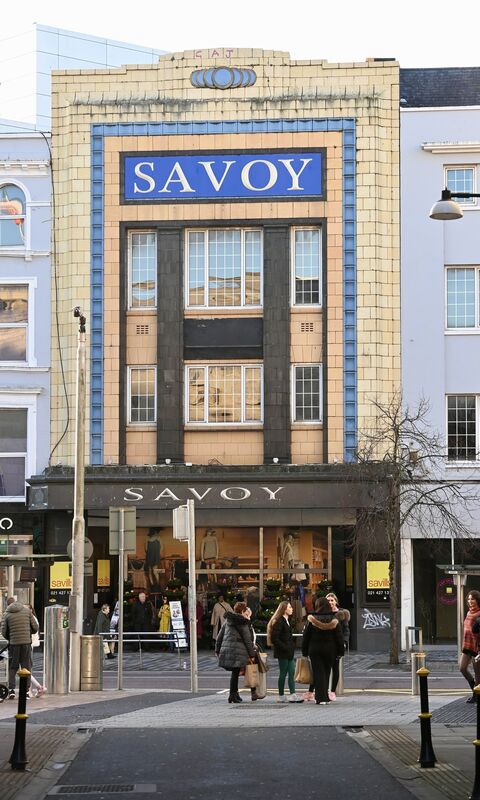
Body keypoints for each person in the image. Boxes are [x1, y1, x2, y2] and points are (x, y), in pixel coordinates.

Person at [302, 596, 344, 704]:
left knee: (318, 673)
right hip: (330, 649)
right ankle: (325, 697)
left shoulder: (311, 619)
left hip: (314, 649)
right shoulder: (334, 619)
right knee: (326, 672)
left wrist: (304, 651)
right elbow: (339, 637)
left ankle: (320, 698)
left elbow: (306, 636)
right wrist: (340, 652)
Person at [215, 601, 256, 703]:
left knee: (235, 673)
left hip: (228, 649)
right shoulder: (242, 622)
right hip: (238, 651)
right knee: (235, 673)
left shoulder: (228, 621)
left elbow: (219, 636)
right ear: (242, 611)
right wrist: (252, 654)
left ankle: (234, 694)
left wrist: (217, 649)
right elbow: (247, 640)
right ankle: (233, 695)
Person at [0, 596, 38, 700]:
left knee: (13, 667)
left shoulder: (6, 614)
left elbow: (3, 631)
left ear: (8, 604)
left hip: (13, 644)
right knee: (26, 667)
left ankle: (11, 691)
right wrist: (28, 634)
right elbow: (35, 627)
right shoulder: (27, 612)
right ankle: (25, 692)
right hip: (26, 643)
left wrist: (11, 638)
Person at [267, 600, 304, 703]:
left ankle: (292, 694)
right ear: (284, 609)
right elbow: (275, 639)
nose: (291, 609)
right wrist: (285, 647)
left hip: (289, 651)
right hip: (282, 652)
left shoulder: (286, 620)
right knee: (283, 673)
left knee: (291, 672)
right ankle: (281, 695)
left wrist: (290, 646)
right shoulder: (279, 621)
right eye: (289, 607)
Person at [460, 589, 480, 703]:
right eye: (469, 599)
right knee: (462, 668)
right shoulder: (468, 612)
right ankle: (474, 688)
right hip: (467, 645)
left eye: (472, 599)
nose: (470, 601)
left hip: (477, 647)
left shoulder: (479, 613)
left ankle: (476, 695)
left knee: (478, 674)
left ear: (477, 600)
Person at [26, 604, 47, 697]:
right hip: (29, 644)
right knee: (25, 668)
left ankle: (37, 687)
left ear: (31, 610)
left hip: (28, 644)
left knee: (25, 668)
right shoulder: (32, 618)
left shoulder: (31, 619)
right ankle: (35, 688)